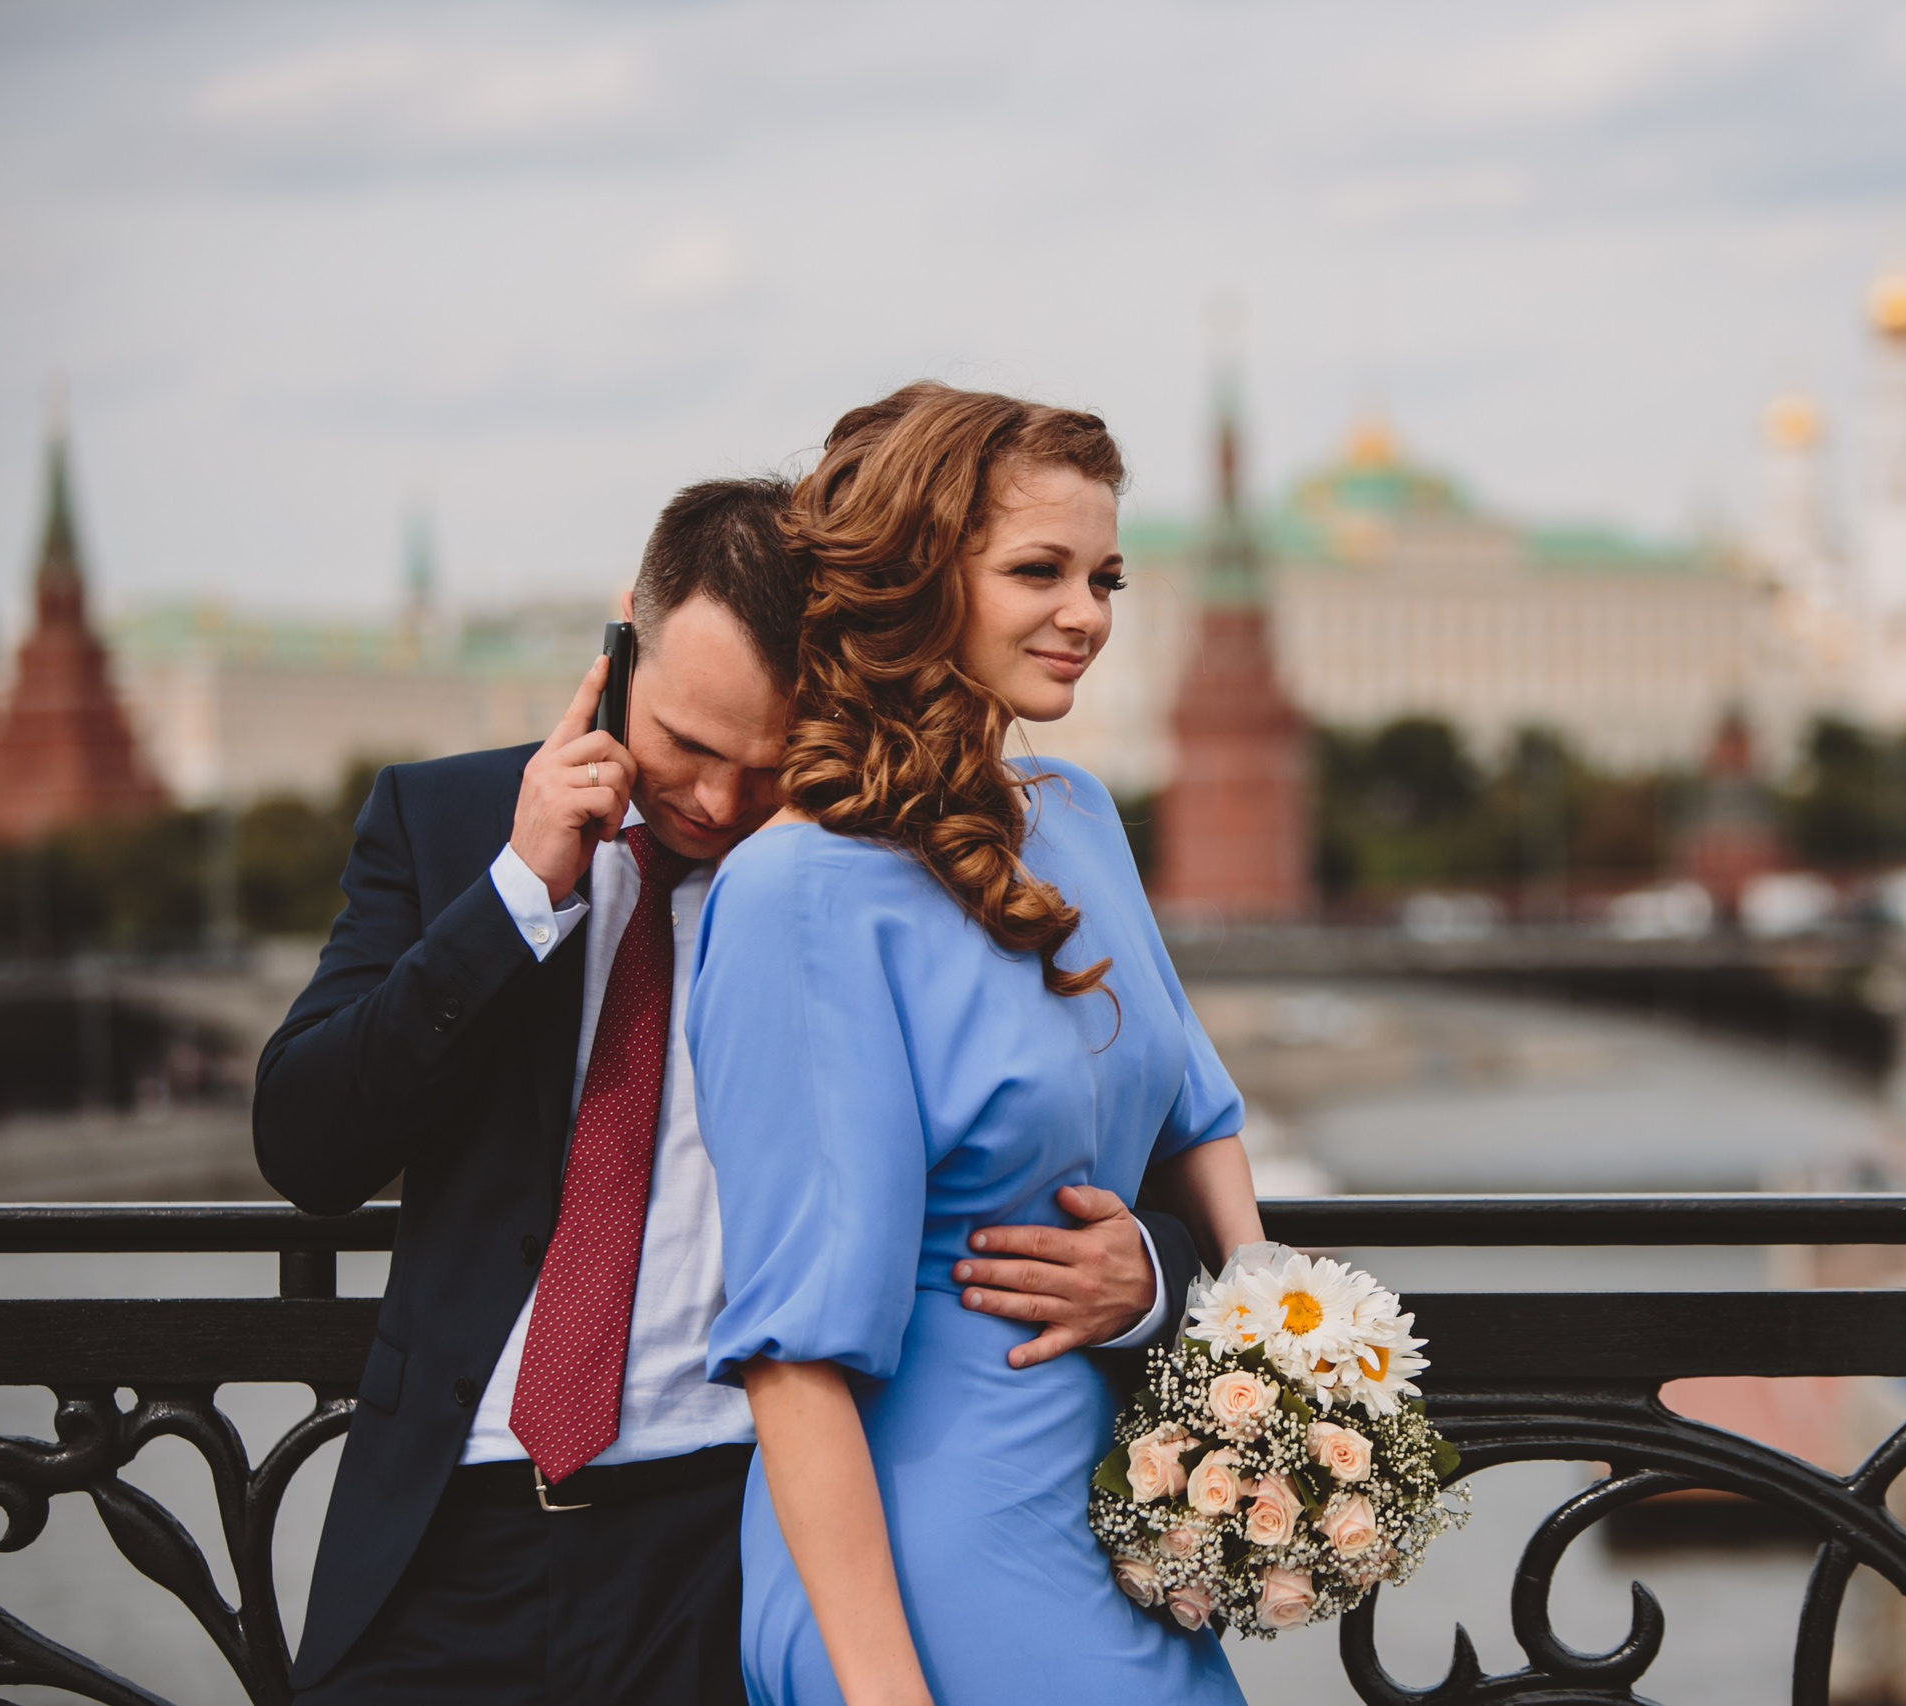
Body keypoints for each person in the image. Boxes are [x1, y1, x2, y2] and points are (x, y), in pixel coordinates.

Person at [252, 475, 1203, 1703]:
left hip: (728, 1543)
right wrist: (514, 896)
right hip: (447, 1537)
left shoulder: (882, 870)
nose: (714, 803)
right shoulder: (445, 821)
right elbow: (308, 1147)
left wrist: (1154, 1272)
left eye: (770, 764)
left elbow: (1121, 1117)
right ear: (623, 639)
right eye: (688, 746)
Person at [689, 383, 1266, 1706]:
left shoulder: (1080, 816)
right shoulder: (798, 891)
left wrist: (1258, 1331)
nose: (1090, 615)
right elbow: (791, 1352)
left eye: (1106, 575)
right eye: (1039, 570)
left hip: (1121, 1531)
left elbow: (1197, 1113)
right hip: (925, 1572)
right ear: (911, 580)